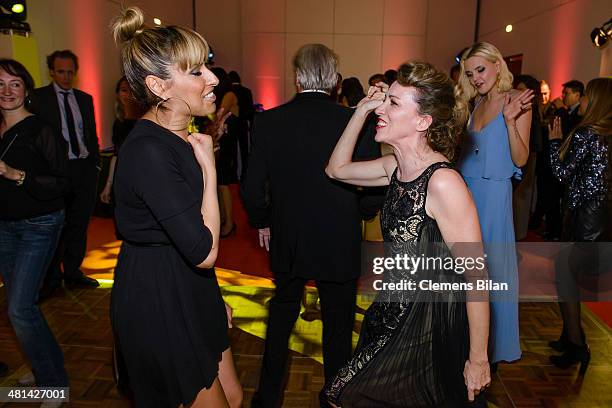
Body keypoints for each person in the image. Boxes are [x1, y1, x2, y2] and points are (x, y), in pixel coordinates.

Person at [321, 61, 490, 407]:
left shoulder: (443, 182)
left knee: (341, 395)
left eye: (393, 103)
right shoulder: (394, 168)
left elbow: (477, 275)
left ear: (423, 122)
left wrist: (478, 359)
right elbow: (336, 169)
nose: (382, 107)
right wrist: (362, 111)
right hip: (388, 313)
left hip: (424, 325)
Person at [110, 7, 242, 407]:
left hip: (187, 283)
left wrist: (209, 296)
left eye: (207, 66)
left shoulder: (182, 136)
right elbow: (203, 250)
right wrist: (209, 167)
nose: (214, 78)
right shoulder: (149, 150)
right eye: (197, 71)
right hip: (157, 297)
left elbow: (189, 236)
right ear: (159, 86)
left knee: (234, 398)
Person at [242, 44, 373, 408]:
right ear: (333, 80)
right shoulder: (353, 120)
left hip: (289, 235)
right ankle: (334, 398)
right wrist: (360, 212)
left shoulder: (269, 121)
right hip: (338, 237)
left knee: (281, 316)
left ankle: (267, 397)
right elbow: (373, 184)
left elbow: (252, 188)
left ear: (297, 77)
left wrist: (263, 221)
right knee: (337, 326)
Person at [456, 42, 534, 366]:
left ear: (498, 64)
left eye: (481, 69)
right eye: (470, 72)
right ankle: (466, 348)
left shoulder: (517, 100)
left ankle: (488, 357)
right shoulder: (474, 105)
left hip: (493, 198)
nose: (475, 78)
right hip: (466, 195)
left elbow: (521, 158)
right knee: (465, 276)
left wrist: (511, 121)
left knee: (492, 278)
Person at [0, 59, 69, 405]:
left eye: (14, 84)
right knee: (22, 306)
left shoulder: (41, 130)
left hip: (39, 224)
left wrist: (16, 174)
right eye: (0, 84)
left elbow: (61, 183)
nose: (7, 91)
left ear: (26, 89)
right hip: (4, 227)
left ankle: (54, 383)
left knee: (19, 308)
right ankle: (43, 367)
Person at [547, 77, 612, 373]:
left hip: (585, 218)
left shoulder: (587, 133)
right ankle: (568, 336)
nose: (582, 100)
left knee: (565, 277)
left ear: (596, 100)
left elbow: (561, 175)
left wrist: (554, 143)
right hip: (603, 219)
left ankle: (576, 344)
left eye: (587, 96)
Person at [33, 49, 100, 293]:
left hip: (83, 169)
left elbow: (90, 135)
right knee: (55, 225)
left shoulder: (84, 98)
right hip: (56, 171)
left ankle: (72, 272)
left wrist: (95, 164)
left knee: (79, 223)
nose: (66, 76)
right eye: (61, 71)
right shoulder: (39, 98)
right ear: (51, 71)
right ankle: (50, 278)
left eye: (71, 71)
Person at [99, 76, 145, 205]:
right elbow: (116, 156)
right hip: (123, 181)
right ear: (118, 94)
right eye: (124, 90)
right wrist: (108, 186)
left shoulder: (145, 122)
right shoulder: (118, 124)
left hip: (144, 180)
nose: (128, 95)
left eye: (132, 91)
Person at [211, 67, 239, 237]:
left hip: (226, 143)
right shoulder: (223, 96)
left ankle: (229, 222)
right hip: (221, 141)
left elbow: (218, 115)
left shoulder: (229, 95)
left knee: (222, 183)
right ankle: (222, 219)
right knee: (219, 183)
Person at [228, 70, 254, 180]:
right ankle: (245, 175)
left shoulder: (229, 92)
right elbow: (250, 110)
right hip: (243, 124)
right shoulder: (247, 91)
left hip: (231, 125)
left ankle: (233, 175)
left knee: (232, 150)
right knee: (245, 151)